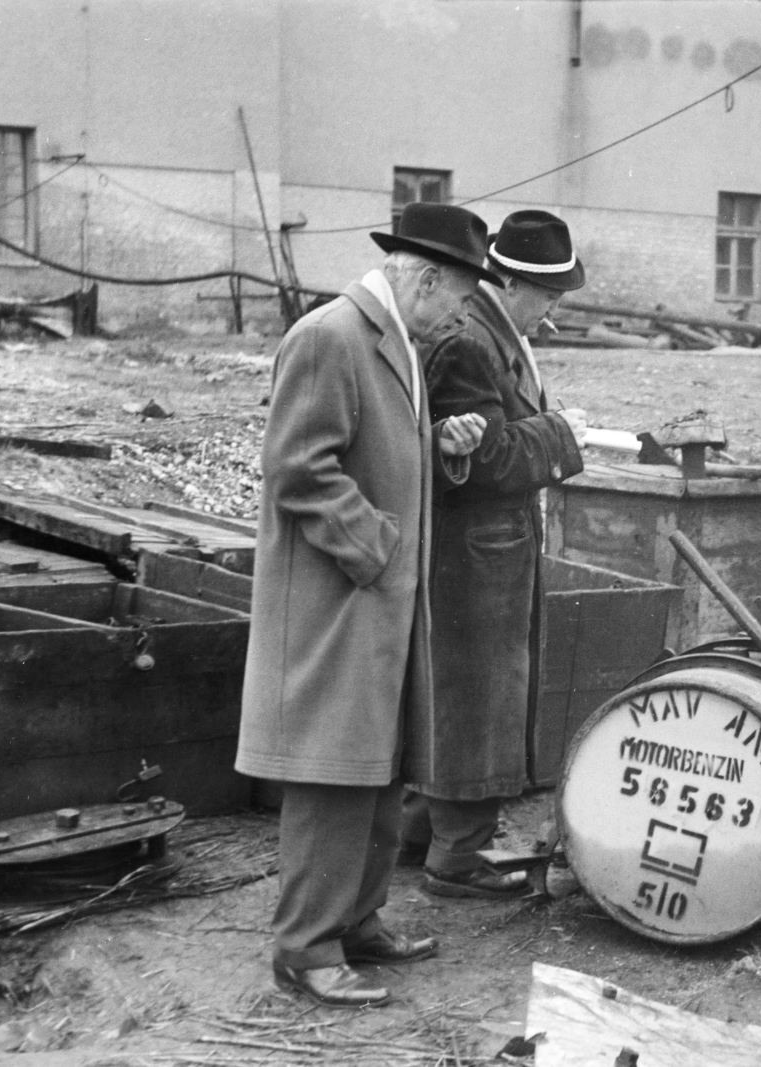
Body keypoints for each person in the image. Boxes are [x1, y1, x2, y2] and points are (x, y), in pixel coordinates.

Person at [235, 203, 501, 1008]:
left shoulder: (399, 345)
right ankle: (305, 948)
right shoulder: (329, 338)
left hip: (379, 604)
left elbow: (369, 454)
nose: (460, 318)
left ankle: (357, 922)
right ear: (424, 280)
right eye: (458, 300)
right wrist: (380, 548)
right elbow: (298, 468)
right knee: (332, 778)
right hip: (339, 604)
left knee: (382, 769)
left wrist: (436, 449)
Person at [402, 210, 589, 897]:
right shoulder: (470, 343)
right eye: (549, 295)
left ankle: (423, 830)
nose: (554, 311)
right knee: (477, 697)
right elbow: (488, 457)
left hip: (486, 549)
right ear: (510, 282)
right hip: (472, 553)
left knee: (465, 693)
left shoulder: (491, 333)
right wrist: (563, 436)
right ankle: (459, 854)